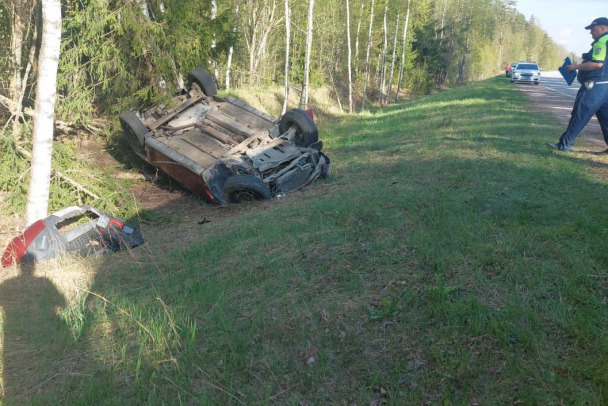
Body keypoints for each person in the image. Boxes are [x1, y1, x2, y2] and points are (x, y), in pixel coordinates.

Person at [546, 17, 608, 153]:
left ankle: (564, 144)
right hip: (605, 86)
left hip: (594, 86)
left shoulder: (602, 42)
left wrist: (576, 66)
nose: (591, 32)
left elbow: (597, 63)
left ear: (603, 27)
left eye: (593, 29)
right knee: (605, 118)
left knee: (579, 115)